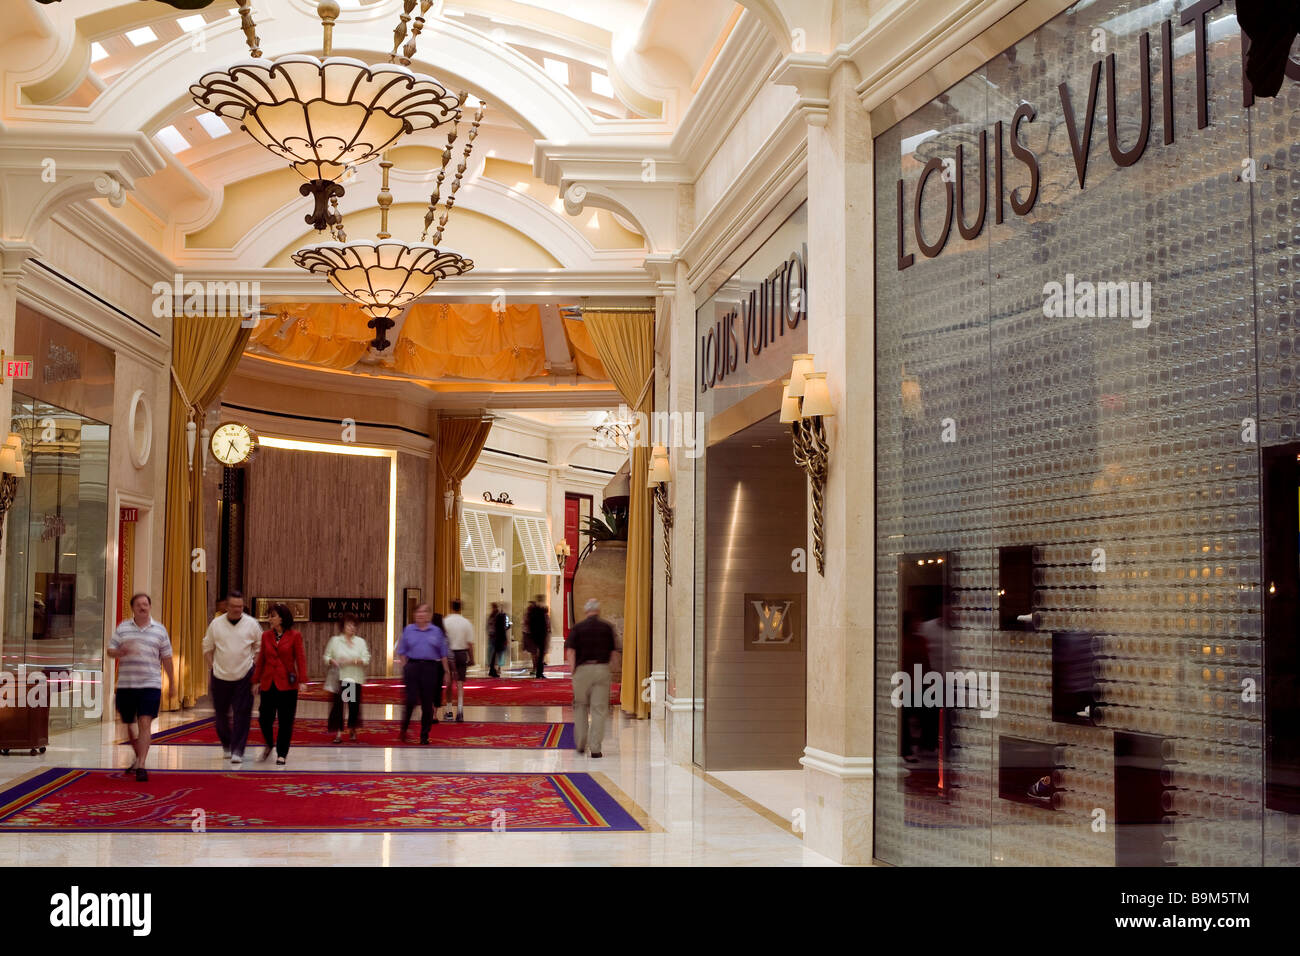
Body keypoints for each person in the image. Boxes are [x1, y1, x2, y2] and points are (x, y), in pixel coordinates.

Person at [107, 593, 175, 782]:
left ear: (150, 607)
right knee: (128, 724)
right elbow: (109, 650)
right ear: (133, 608)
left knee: (145, 722)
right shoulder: (122, 628)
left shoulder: (160, 630)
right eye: (139, 604)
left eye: (145, 604)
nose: (143, 607)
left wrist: (172, 683)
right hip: (126, 685)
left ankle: (142, 765)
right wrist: (120, 651)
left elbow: (167, 658)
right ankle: (138, 757)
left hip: (150, 684)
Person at [202, 589, 261, 765]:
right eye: (234, 606)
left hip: (244, 676)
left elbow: (259, 647)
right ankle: (227, 743)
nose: (237, 609)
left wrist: (254, 668)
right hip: (220, 676)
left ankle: (238, 750)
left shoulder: (252, 624)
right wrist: (212, 666)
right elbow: (207, 647)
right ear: (227, 607)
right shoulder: (216, 624)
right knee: (220, 716)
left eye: (240, 606)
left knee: (242, 714)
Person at [564, 598, 621, 758]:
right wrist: (613, 670)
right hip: (602, 669)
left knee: (580, 706)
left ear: (586, 611)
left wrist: (573, 670)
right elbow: (614, 653)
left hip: (582, 670)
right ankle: (595, 748)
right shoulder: (607, 627)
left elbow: (571, 652)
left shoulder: (578, 628)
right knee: (599, 710)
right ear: (599, 610)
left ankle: (581, 743)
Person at [254, 604, 307, 766]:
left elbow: (300, 658)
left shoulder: (295, 636)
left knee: (286, 720)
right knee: (264, 718)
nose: (269, 619)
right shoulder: (265, 636)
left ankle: (282, 753)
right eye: (269, 616)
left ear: (281, 618)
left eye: (272, 616)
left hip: (287, 685)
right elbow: (261, 659)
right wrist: (255, 680)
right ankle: (269, 743)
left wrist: (303, 680)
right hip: (268, 683)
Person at [395, 603, 452, 743]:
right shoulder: (409, 630)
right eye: (418, 612)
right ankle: (404, 729)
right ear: (414, 615)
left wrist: (446, 671)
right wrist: (406, 667)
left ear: (429, 615)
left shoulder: (436, 631)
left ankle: (424, 735)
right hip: (413, 667)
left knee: (427, 703)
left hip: (430, 668)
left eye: (424, 612)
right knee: (410, 700)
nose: (421, 614)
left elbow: (443, 653)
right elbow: (401, 651)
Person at [324, 612, 370, 743]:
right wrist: (332, 661)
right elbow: (326, 657)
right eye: (348, 624)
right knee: (338, 706)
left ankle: (352, 729)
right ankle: (338, 733)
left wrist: (352, 661)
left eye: (354, 625)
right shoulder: (335, 641)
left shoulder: (360, 642)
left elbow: (366, 659)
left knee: (353, 706)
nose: (351, 627)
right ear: (343, 626)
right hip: (339, 677)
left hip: (354, 677)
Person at [442, 599, 474, 721]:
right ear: (461, 608)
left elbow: (443, 641)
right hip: (461, 654)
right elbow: (469, 643)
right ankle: (460, 711)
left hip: (449, 654)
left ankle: (449, 710)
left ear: (451, 607)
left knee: (448, 683)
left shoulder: (445, 621)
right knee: (460, 683)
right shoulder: (466, 623)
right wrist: (472, 658)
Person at [524, 595, 550, 679]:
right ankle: (538, 671)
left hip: (536, 634)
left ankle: (538, 671)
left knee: (538, 653)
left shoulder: (535, 611)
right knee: (538, 653)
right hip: (539, 634)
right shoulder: (541, 610)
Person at [486, 602, 509, 678]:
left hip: (494, 637)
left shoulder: (492, 616)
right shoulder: (498, 616)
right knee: (495, 654)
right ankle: (494, 669)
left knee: (494, 654)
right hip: (496, 637)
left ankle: (493, 669)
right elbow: (502, 628)